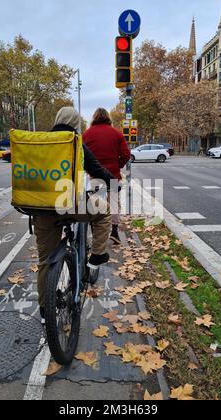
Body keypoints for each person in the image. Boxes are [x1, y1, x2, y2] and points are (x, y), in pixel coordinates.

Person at [34, 107, 114, 324]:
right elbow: (97, 170)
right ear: (76, 124)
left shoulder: (39, 142)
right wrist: (114, 182)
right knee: (104, 210)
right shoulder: (74, 143)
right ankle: (97, 255)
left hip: (41, 209)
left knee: (44, 261)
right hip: (71, 206)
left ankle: (44, 312)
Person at [83, 108, 131, 245]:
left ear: (95, 117)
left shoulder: (87, 134)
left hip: (94, 176)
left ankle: (96, 233)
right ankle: (114, 232)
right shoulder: (117, 134)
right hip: (113, 175)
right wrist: (118, 165)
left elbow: (82, 155)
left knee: (94, 204)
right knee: (114, 203)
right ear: (108, 118)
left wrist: (89, 169)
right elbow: (126, 155)